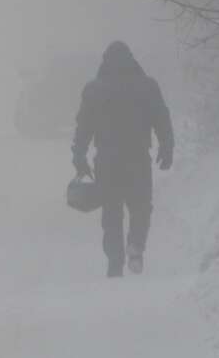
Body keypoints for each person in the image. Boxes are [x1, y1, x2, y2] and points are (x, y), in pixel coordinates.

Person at [72, 41, 174, 277]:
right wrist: (167, 146)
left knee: (111, 212)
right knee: (141, 206)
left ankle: (115, 262)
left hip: (107, 160)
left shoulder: (94, 89)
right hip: (137, 158)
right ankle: (136, 245)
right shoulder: (147, 86)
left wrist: (79, 156)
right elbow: (161, 116)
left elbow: (83, 126)